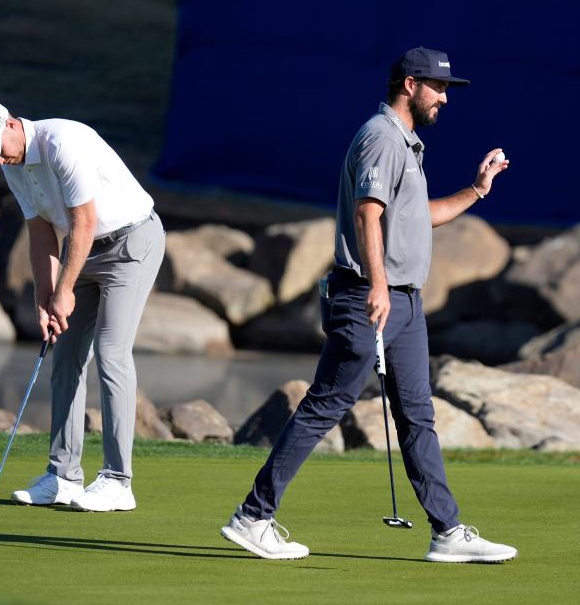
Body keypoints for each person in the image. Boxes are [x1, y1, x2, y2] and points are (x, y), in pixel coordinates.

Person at [220, 47, 517, 562]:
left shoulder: (407, 144)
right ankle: (253, 516)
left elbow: (415, 215)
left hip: (403, 301)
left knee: (417, 416)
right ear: (408, 85)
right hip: (368, 296)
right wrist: (379, 285)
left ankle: (446, 531)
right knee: (326, 406)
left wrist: (477, 190)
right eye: (437, 87)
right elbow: (367, 214)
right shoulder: (381, 138)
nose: (444, 98)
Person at [0, 99, 165, 512]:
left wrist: (64, 291)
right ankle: (63, 476)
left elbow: (83, 221)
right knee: (67, 354)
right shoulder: (14, 166)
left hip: (131, 244)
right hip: (83, 252)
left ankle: (118, 481)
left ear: (12, 124)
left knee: (111, 351)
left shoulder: (62, 142)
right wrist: (44, 298)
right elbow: (40, 233)